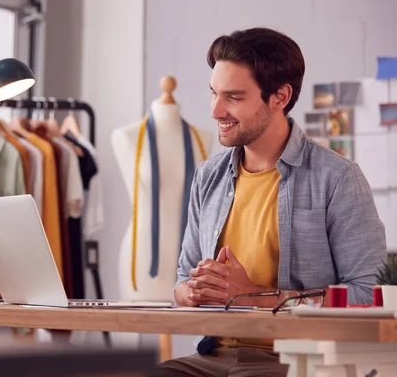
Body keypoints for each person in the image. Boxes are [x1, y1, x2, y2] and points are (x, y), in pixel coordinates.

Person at [155, 27, 387, 377]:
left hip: (295, 361)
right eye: (214, 94)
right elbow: (180, 281)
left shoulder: (337, 178)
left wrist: (251, 295)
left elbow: (368, 295)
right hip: (211, 357)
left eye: (233, 97)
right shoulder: (208, 177)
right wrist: (194, 290)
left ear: (279, 97)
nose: (216, 111)